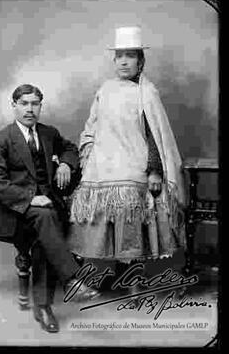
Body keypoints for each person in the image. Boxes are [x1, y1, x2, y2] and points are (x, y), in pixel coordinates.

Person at [68, 26, 186, 275]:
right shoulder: (104, 90)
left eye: (130, 56)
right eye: (119, 56)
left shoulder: (147, 92)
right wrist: (88, 154)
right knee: (92, 201)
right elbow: (92, 126)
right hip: (102, 164)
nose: (123, 61)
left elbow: (156, 134)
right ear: (114, 61)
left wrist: (154, 171)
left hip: (135, 164)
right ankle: (96, 273)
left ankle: (131, 276)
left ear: (140, 62)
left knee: (129, 201)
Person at [0, 84, 99, 334]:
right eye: (24, 103)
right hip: (14, 213)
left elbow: (70, 149)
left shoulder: (49, 133)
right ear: (13, 105)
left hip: (47, 212)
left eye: (34, 104)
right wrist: (30, 198)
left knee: (45, 233)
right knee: (47, 219)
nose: (29, 109)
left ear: (40, 107)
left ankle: (43, 307)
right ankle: (71, 280)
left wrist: (66, 165)